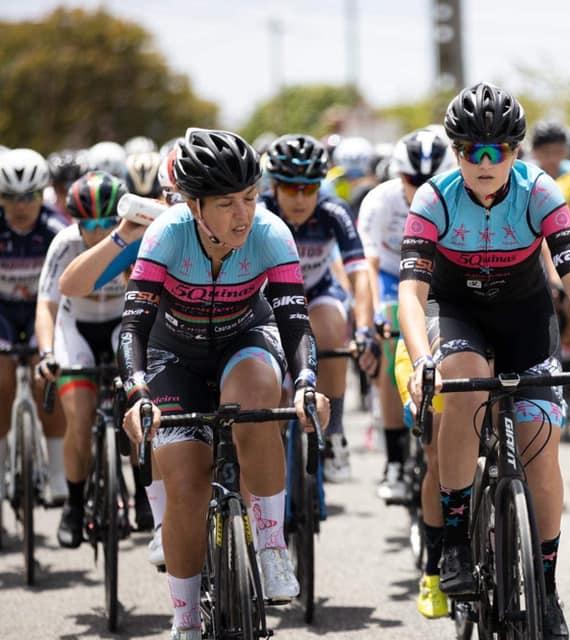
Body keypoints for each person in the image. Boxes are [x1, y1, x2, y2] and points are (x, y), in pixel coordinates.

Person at [399, 82, 570, 639]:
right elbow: (412, 295)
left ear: (516, 152)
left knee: (541, 453)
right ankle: (454, 543)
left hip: (525, 319)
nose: (485, 162)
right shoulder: (434, 199)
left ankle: (546, 588)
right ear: (456, 152)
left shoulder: (539, 191)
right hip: (457, 313)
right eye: (472, 150)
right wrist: (421, 361)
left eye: (497, 150)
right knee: (466, 387)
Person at [117, 128, 329, 640]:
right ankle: (186, 620)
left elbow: (295, 322)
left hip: (244, 340)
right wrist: (137, 392)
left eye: (250, 198)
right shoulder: (166, 234)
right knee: (186, 483)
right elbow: (133, 327)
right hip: (173, 353)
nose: (243, 214)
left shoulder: (271, 233)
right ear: (194, 205)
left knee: (256, 404)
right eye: (227, 203)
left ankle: (272, 547)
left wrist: (306, 383)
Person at [262, 133, 378, 482]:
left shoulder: (333, 211)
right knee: (274, 385)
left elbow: (359, 273)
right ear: (274, 186)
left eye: (309, 188)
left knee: (331, 329)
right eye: (291, 188)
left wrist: (364, 328)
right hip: (269, 299)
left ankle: (335, 433)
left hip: (317, 292)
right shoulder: (260, 213)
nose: (301, 198)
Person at [34, 171, 139, 545]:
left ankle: (143, 491)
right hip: (74, 328)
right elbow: (46, 305)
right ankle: (75, 504)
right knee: (79, 416)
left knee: (139, 403)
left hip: (119, 324)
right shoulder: (64, 244)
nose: (99, 231)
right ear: (76, 222)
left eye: (107, 222)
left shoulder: (133, 238)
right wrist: (47, 354)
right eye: (89, 224)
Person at [357, 127, 455, 505]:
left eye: (431, 180)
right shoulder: (380, 201)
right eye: (413, 180)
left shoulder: (456, 197)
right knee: (390, 349)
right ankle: (395, 461)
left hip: (435, 276)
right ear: (399, 175)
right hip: (389, 276)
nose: (422, 188)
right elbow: (367, 267)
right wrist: (371, 320)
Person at [0, 148, 69, 506]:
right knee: (1, 380)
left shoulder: (56, 229)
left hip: (40, 310)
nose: (20, 206)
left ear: (42, 194)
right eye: (10, 197)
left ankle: (56, 471)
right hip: (3, 312)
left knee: (47, 379)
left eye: (29, 196)